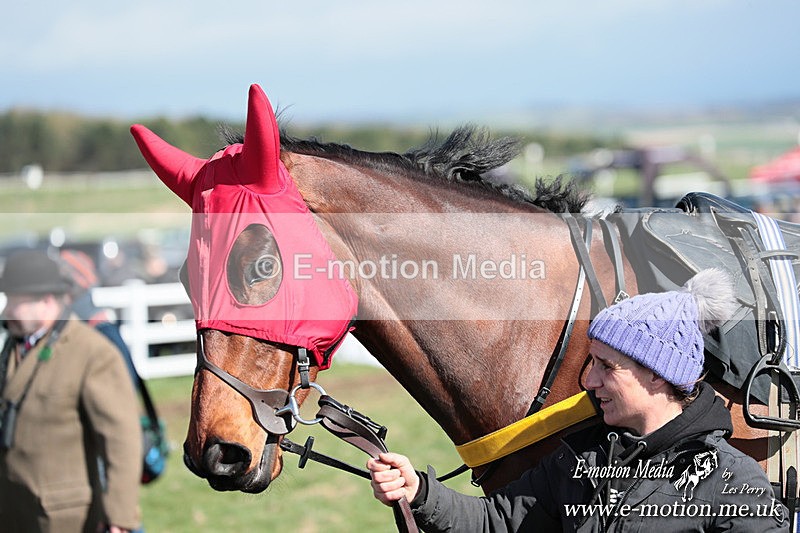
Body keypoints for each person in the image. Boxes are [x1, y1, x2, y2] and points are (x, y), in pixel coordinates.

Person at [367, 269, 791, 531]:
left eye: (608, 366)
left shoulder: (732, 481)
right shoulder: (581, 456)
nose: (589, 380)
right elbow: (496, 522)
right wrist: (419, 491)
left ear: (659, 375)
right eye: (592, 363)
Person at [0, 249, 142, 533]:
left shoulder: (93, 353)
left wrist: (119, 518)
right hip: (13, 510)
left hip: (64, 518)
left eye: (15, 302)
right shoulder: (13, 347)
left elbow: (121, 440)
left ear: (47, 301)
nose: (6, 312)